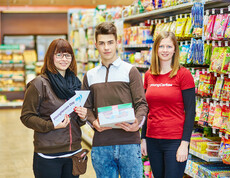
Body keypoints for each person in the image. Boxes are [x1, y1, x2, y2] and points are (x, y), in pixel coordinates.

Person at [82, 22, 148, 178]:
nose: (106, 47)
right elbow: (86, 108)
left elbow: (141, 104)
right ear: (96, 45)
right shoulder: (90, 75)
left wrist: (136, 124)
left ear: (117, 43)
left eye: (110, 42)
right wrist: (93, 122)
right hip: (101, 145)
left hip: (129, 144)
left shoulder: (130, 71)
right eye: (102, 43)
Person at [20, 38, 87, 178]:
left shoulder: (76, 83)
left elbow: (78, 121)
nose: (64, 59)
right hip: (48, 155)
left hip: (73, 153)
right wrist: (51, 125)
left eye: (67, 55)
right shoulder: (38, 84)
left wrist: (83, 116)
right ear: (50, 57)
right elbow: (26, 117)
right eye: (59, 55)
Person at [141, 31, 195, 178]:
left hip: (175, 141)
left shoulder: (183, 74)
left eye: (169, 46)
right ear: (156, 49)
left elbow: (190, 111)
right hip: (152, 139)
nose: (165, 50)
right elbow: (146, 109)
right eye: (161, 46)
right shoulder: (148, 75)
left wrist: (185, 143)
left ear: (175, 49)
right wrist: (143, 138)